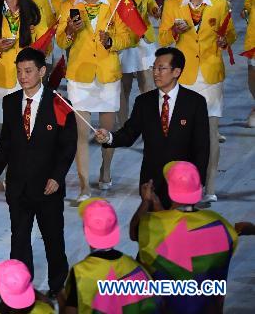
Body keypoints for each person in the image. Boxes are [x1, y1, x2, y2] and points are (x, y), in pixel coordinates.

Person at [0, 47, 77, 300]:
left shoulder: (60, 104)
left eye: (28, 71)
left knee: (53, 239)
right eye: (19, 71)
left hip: (48, 187)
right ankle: (20, 288)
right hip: (18, 186)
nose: (23, 76)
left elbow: (68, 146)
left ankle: (58, 286)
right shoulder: (10, 102)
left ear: (42, 72)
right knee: (19, 241)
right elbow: (6, 143)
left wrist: (57, 177)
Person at [56, 0, 137, 202]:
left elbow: (129, 36)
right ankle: (83, 186)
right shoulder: (69, 6)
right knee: (80, 133)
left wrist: (112, 41)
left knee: (106, 131)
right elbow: (61, 42)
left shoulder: (113, 3)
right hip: (79, 76)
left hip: (106, 75)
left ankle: (106, 169)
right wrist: (70, 30)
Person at [94, 45, 209, 207]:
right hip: (151, 184)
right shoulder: (144, 102)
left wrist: (199, 181)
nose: (155, 73)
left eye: (161, 68)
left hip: (184, 183)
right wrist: (109, 137)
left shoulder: (195, 103)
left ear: (176, 72)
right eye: (154, 68)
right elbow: (129, 134)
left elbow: (202, 147)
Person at [158, 0, 234, 203]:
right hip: (186, 76)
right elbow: (162, 37)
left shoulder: (220, 5)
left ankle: (210, 186)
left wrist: (224, 42)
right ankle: (183, 185)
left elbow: (229, 34)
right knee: (182, 133)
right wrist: (175, 32)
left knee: (211, 133)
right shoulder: (173, 4)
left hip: (211, 76)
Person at [130, 162, 237, 313]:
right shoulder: (221, 225)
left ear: (170, 190)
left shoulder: (151, 224)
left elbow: (134, 233)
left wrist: (146, 202)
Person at [60, 198, 159, 313]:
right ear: (116, 229)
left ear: (85, 230)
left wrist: (60, 301)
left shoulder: (79, 272)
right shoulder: (135, 267)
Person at [105, 0, 158, 133]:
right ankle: (124, 126)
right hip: (125, 37)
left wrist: (154, 9)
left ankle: (150, 128)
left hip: (143, 37)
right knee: (124, 86)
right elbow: (127, 8)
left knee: (149, 85)